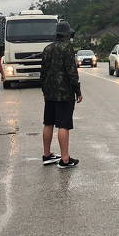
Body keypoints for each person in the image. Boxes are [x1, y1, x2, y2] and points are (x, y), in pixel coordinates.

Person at [40, 21, 83, 169]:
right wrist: (78, 91)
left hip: (50, 93)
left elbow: (43, 73)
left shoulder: (47, 48)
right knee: (63, 125)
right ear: (67, 34)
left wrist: (45, 90)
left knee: (48, 123)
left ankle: (47, 155)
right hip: (64, 94)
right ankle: (65, 159)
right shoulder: (67, 49)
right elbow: (72, 73)